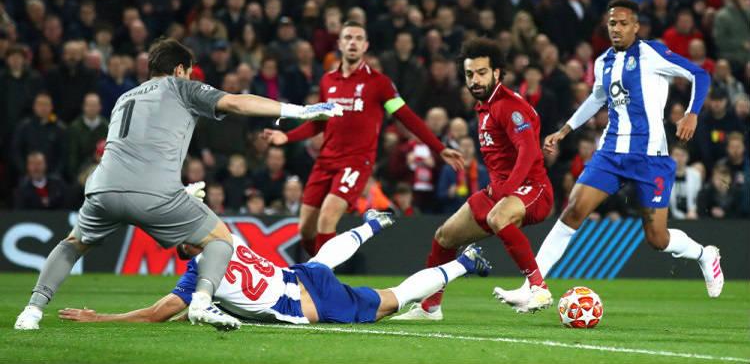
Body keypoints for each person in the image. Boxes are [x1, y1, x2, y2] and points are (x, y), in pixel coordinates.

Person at [14, 38, 343, 331]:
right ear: (181, 69)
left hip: (102, 188)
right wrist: (301, 111)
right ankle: (201, 301)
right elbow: (237, 102)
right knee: (221, 241)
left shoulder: (124, 97)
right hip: (154, 193)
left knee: (72, 244)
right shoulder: (181, 86)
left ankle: (31, 311)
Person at [494, 0, 722, 313]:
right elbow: (597, 97)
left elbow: (700, 75)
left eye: (623, 23)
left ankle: (704, 255)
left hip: (649, 156)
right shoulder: (603, 62)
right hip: (610, 152)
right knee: (572, 210)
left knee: (656, 238)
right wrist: (566, 130)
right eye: (612, 23)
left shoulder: (651, 53)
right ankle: (534, 287)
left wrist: (692, 113)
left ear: (636, 26)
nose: (616, 28)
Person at [57, 211, 490, 325]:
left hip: (308, 303)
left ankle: (466, 262)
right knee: (321, 261)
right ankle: (372, 225)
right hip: (301, 276)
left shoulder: (196, 279)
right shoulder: (226, 236)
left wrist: (104, 316)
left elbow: (157, 312)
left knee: (391, 303)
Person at [263, 21, 462, 256]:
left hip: (355, 162)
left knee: (327, 218)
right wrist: (286, 137)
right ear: (339, 44)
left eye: (358, 38)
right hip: (325, 161)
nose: (353, 42)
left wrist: (439, 147)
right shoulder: (328, 81)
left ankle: (323, 284)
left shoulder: (379, 84)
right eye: (348, 37)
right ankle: (320, 269)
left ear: (365, 45)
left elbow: (407, 117)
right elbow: (320, 121)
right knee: (306, 229)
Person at [393, 38, 555, 321]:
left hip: (533, 188)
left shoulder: (509, 106)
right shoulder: (484, 107)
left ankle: (538, 287)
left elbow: (528, 150)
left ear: (497, 73)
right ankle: (431, 307)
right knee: (444, 237)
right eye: (470, 74)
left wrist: (507, 189)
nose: (475, 80)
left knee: (498, 217)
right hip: (499, 191)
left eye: (481, 72)